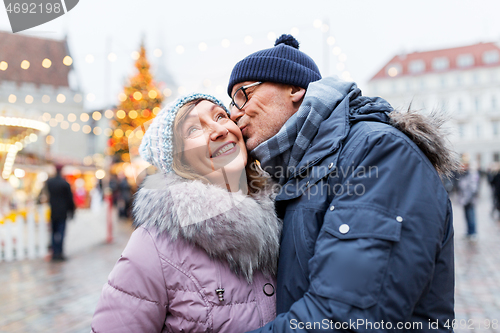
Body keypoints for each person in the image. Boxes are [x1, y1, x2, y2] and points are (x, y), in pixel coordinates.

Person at [227, 34, 458, 332]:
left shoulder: (379, 151)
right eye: (231, 103)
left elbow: (345, 318)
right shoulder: (299, 171)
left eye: (243, 94)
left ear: (295, 89)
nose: (234, 113)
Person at [91, 94, 282, 332]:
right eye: (192, 129)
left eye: (220, 116)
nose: (218, 130)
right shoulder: (152, 247)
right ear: (178, 162)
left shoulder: (284, 215)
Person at [44, 164, 75, 261]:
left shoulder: (49, 182)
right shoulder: (64, 183)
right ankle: (60, 252)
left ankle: (54, 252)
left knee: (53, 233)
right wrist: (72, 211)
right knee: (61, 233)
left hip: (53, 211)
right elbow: (70, 199)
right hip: (62, 212)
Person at [457, 159, 480, 239]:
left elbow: (473, 188)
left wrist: (467, 199)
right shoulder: (463, 175)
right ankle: (469, 231)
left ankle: (473, 232)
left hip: (470, 200)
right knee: (466, 216)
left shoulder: (472, 174)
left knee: (471, 216)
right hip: (464, 200)